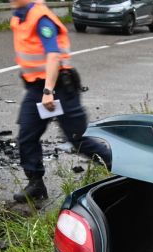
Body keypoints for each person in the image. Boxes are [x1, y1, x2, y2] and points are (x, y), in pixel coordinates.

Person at [9, 0, 111, 203]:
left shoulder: (41, 18)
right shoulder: (21, 17)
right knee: (27, 136)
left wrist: (48, 91)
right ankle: (36, 184)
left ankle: (122, 166)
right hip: (36, 89)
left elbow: (54, 56)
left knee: (78, 139)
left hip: (59, 89)